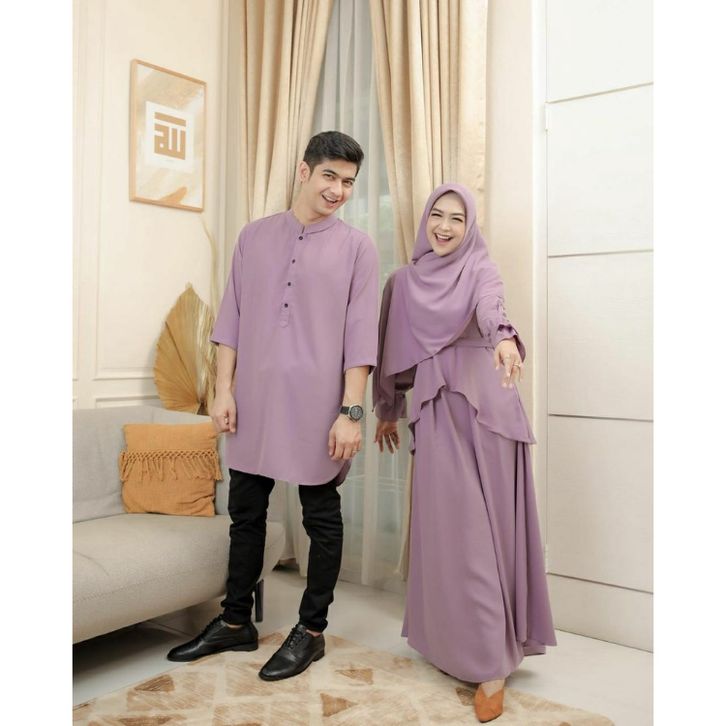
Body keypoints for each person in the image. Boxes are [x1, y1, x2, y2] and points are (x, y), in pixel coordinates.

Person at [167, 131, 379, 682]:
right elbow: (232, 319)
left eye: (349, 182)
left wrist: (351, 412)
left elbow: (360, 337)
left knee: (320, 516)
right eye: (330, 176)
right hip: (254, 400)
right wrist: (224, 389)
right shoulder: (254, 236)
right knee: (246, 513)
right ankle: (235, 621)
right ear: (304, 171)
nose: (338, 190)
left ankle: (311, 632)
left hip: (320, 404)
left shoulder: (358, 248)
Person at [373, 183, 556, 722]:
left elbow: (491, 307)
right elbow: (388, 350)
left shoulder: (480, 267)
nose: (445, 226)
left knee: (490, 534)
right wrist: (387, 410)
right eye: (437, 215)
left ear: (469, 225)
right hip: (437, 412)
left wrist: (504, 339)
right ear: (425, 219)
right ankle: (456, 643)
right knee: (453, 534)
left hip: (489, 411)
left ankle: (493, 662)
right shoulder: (403, 283)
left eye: (457, 218)